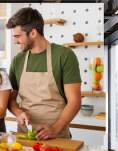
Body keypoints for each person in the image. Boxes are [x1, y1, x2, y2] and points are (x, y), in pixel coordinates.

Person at [6, 7, 82, 140]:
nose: (15, 41)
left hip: (57, 135)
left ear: (33, 33)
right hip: (25, 134)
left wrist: (54, 129)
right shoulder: (18, 60)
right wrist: (18, 112)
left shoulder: (64, 56)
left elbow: (74, 101)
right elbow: (11, 99)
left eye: (18, 36)